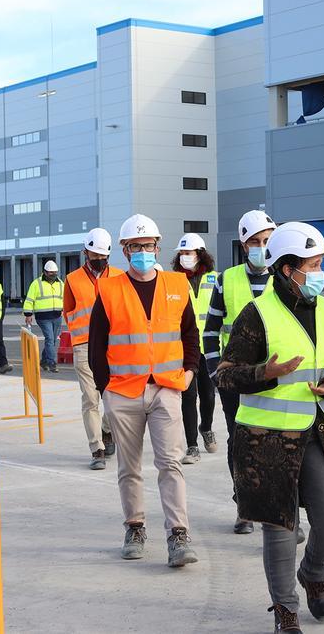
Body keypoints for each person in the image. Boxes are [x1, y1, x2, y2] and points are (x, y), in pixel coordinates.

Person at [215, 221, 324, 633]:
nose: (318, 274)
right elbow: (224, 375)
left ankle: (313, 574)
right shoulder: (257, 314)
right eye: (311, 266)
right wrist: (265, 372)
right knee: (280, 527)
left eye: (319, 265)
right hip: (268, 439)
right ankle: (286, 609)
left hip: (320, 431)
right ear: (286, 269)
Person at [89, 213, 199, 568]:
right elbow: (96, 346)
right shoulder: (108, 289)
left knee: (170, 462)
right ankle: (134, 526)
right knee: (129, 465)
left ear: (157, 246)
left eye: (147, 245)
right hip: (123, 392)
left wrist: (190, 372)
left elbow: (189, 335)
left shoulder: (178, 285)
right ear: (124, 250)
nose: (141, 251)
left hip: (167, 388)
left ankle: (178, 535)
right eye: (134, 246)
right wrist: (107, 390)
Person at [203, 209, 277, 534]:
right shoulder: (227, 279)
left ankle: (275, 508)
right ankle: (245, 506)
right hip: (234, 378)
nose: (263, 247)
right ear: (245, 245)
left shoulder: (285, 278)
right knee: (240, 442)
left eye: (268, 241)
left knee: (274, 442)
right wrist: (215, 372)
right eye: (256, 242)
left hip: (274, 378)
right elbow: (210, 330)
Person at [64, 229, 121, 470]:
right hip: (84, 345)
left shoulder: (119, 277)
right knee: (91, 398)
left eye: (103, 255)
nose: (98, 259)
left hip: (114, 346)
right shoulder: (72, 280)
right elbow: (68, 312)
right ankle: (96, 448)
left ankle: (107, 430)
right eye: (94, 254)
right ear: (85, 252)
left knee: (114, 397)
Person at [173, 232, 219, 465]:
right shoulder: (173, 280)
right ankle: (192, 446)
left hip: (209, 347)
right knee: (188, 397)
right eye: (181, 253)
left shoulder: (216, 279)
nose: (184, 257)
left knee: (208, 395)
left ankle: (206, 427)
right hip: (184, 348)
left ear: (200, 255)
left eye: (188, 253)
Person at [23, 260, 65, 372]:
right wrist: (28, 314)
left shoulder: (60, 283)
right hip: (43, 317)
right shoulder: (36, 284)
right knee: (50, 339)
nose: (53, 275)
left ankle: (44, 361)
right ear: (45, 272)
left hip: (57, 316)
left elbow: (64, 299)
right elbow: (29, 300)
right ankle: (52, 362)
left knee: (52, 340)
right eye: (51, 273)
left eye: (55, 272)